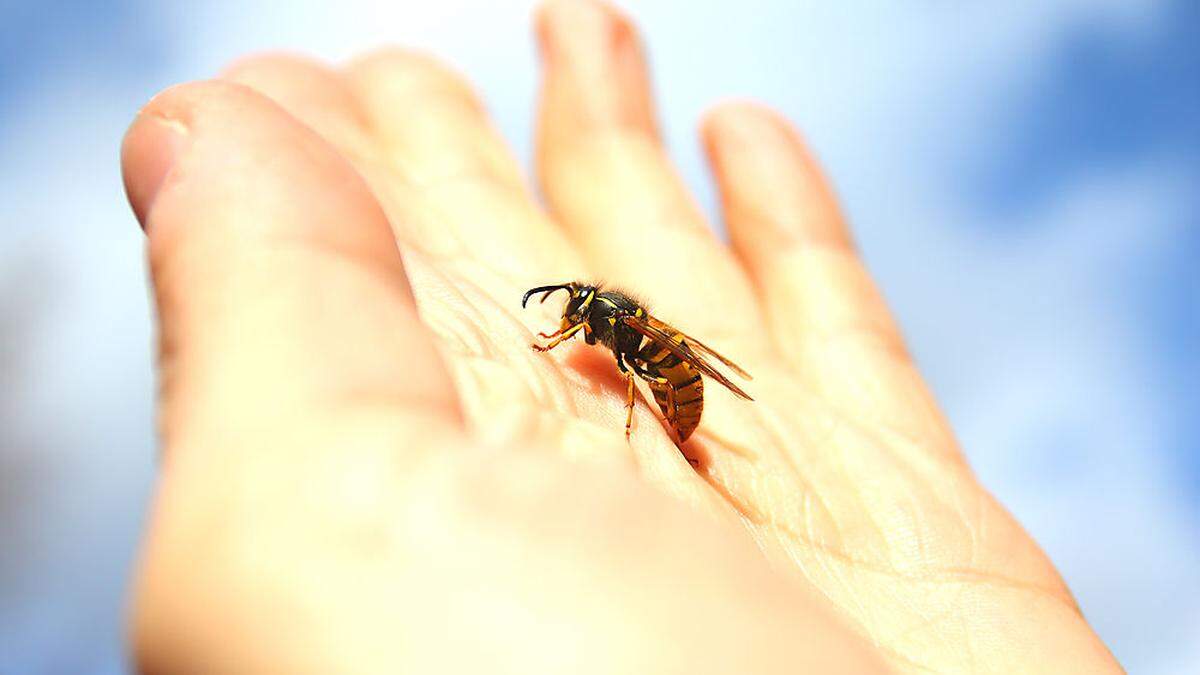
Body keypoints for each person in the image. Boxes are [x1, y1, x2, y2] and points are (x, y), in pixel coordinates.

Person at [120, 1, 1122, 672]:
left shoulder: (629, 340)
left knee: (659, 373)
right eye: (567, 320)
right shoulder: (607, 317)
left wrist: (647, 406)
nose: (566, 326)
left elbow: (652, 359)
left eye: (571, 318)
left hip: (674, 410)